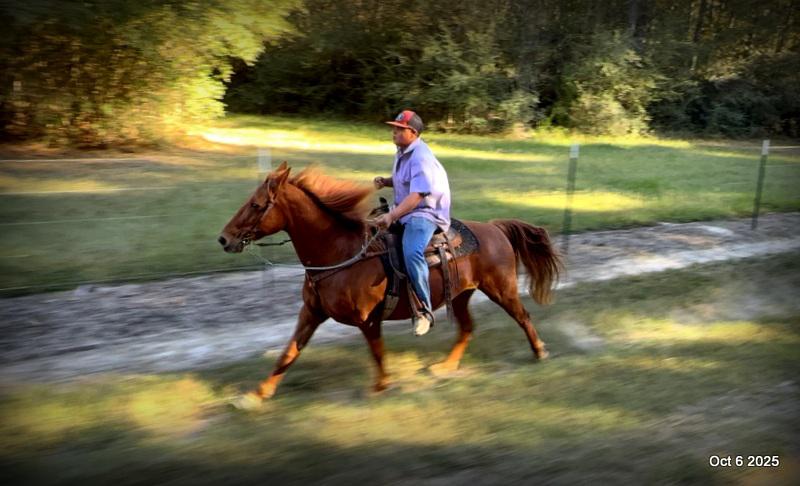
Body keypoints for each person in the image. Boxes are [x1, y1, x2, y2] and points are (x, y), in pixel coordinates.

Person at [374, 110, 451, 336]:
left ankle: (425, 311)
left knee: (412, 252)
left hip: (425, 212)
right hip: (407, 210)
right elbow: (404, 181)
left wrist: (391, 216)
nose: (394, 132)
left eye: (400, 129)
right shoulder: (402, 152)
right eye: (394, 128)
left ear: (413, 132)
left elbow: (417, 195)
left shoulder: (421, 157)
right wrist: (386, 181)